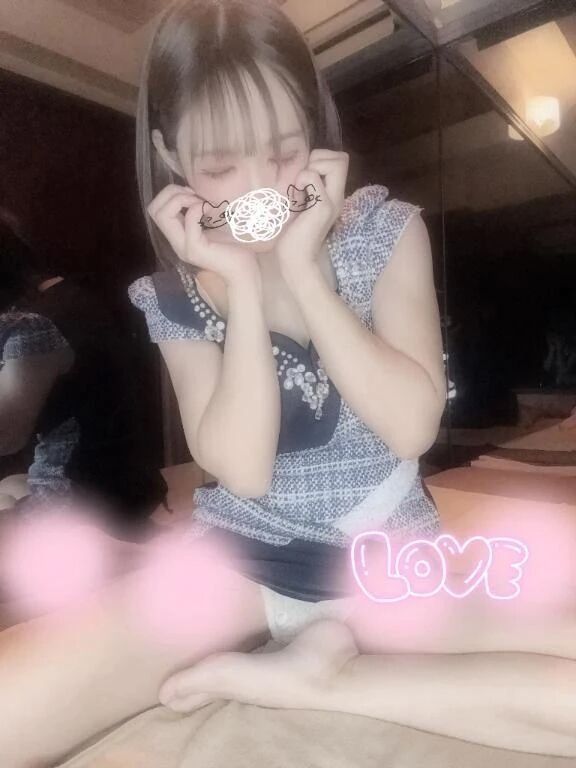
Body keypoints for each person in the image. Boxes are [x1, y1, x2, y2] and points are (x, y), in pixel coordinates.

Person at [1, 2, 575, 765]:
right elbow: (243, 468)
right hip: (237, 564)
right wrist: (239, 282)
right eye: (221, 166)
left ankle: (324, 681)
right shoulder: (172, 297)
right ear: (170, 154)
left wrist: (305, 272)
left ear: (314, 123)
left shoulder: (381, 232)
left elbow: (410, 427)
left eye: (283, 150)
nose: (260, 185)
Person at [0, 212, 167, 539]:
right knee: (9, 485)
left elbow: (6, 438)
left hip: (85, 498)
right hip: (131, 482)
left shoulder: (34, 327)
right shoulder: (69, 296)